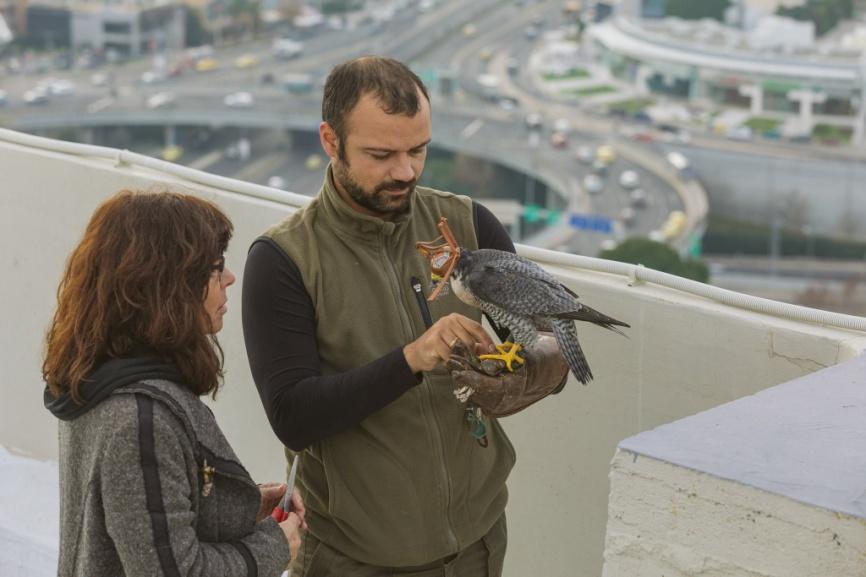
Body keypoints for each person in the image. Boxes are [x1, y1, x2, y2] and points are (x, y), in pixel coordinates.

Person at [242, 56, 566, 576]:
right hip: (353, 560)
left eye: (418, 150)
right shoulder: (283, 260)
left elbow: (544, 334)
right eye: (381, 154)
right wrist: (412, 358)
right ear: (330, 140)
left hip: (477, 546)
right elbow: (292, 415)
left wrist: (536, 369)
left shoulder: (468, 222)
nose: (405, 171)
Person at [43, 189, 305, 577]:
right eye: (216, 267)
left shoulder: (99, 381)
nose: (230, 278)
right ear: (169, 283)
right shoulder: (138, 419)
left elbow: (147, 522)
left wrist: (244, 507)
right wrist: (275, 545)